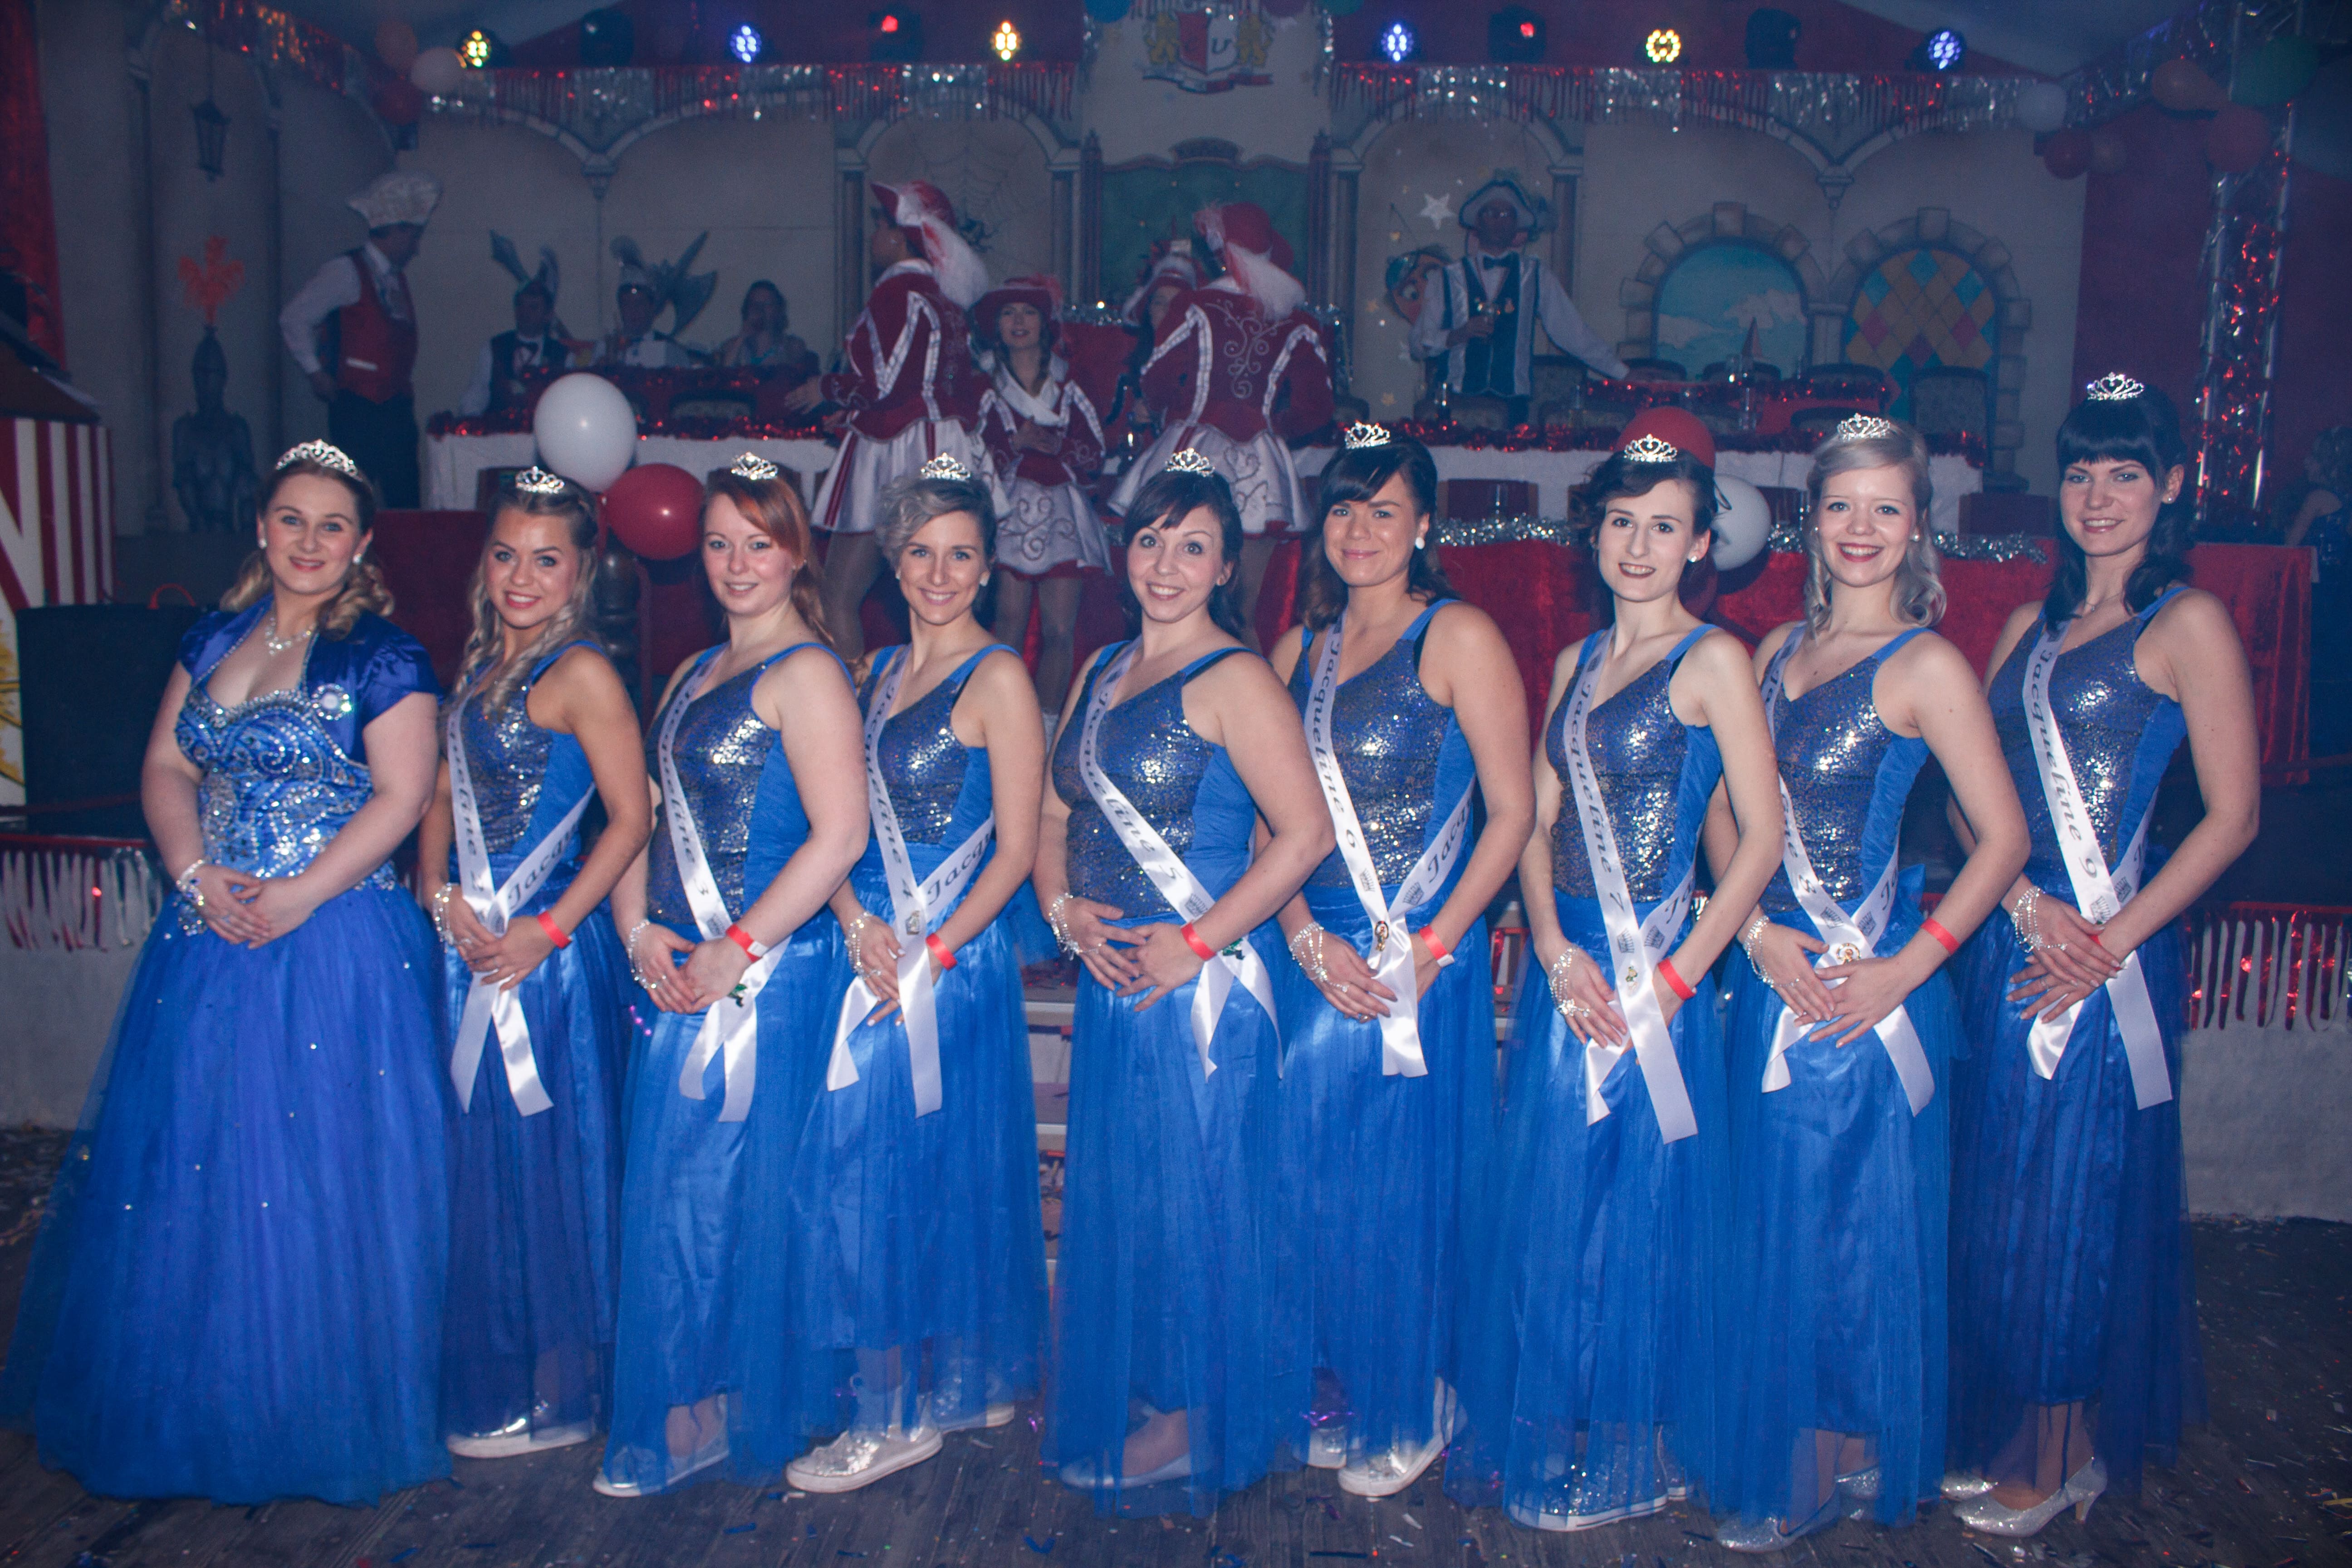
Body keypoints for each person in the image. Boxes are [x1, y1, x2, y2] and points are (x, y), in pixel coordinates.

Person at [0, 441, 448, 1502]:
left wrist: (298, 895)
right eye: (292, 519)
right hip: (210, 931)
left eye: (332, 526)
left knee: (310, 1171)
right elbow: (166, 763)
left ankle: (302, 1404)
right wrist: (193, 871)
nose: (308, 542)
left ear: (362, 544)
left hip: (331, 938)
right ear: (260, 526)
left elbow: (404, 795)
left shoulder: (382, 658)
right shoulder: (212, 638)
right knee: (196, 1163)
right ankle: (197, 1395)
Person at [1446, 410, 1783, 1532]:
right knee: (1559, 1212)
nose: (1638, 546)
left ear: (1702, 544)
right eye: (1622, 523)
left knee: (1642, 1218)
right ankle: (1566, 1417)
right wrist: (1546, 944)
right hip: (1570, 977)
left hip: (1661, 979)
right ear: (1593, 533)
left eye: (1664, 527)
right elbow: (1535, 822)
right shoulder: (1574, 662)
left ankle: (1641, 1448)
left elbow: (1761, 841)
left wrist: (1677, 980)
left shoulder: (1715, 659)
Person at [1699, 416, 2029, 1549]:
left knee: (1840, 1238)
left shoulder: (1927, 663)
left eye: (1886, 507)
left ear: (1917, 526)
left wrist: (1905, 969)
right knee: (1773, 1226)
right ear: (1810, 521)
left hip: (1863, 995)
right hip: (1772, 980)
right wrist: (1751, 936)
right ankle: (1802, 1442)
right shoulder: (1767, 653)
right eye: (1841, 504)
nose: (1860, 527)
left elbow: (2002, 839)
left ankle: (1825, 1457)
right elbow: (1720, 813)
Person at [1943, 374, 2259, 1535]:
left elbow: (2233, 816)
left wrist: (2106, 942)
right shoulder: (2024, 632)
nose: (2097, 495)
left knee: (2069, 1200)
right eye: (2079, 471)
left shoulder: (2187, 623)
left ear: (2170, 486)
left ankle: (2064, 1448)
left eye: (2124, 472)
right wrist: (2023, 903)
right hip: (2009, 940)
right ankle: (2007, 1427)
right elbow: (1970, 802)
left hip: (2107, 960)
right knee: (1995, 1195)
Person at [1037, 453, 1335, 1514]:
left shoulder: (1237, 678)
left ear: (1224, 568)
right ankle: (1164, 1391)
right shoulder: (1099, 667)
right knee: (1138, 1204)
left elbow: (1304, 835)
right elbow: (1055, 813)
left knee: (1198, 1205)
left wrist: (1197, 942)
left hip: (1201, 991)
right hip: (1116, 984)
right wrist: (1063, 909)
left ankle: (1197, 1412)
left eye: (1192, 546)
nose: (1165, 564)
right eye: (1151, 540)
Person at [1264, 424, 1533, 1497]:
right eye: (1343, 507)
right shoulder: (1297, 651)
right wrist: (1297, 932)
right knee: (1308, 1185)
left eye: (1384, 510)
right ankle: (1343, 1382)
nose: (1361, 529)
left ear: (1423, 524)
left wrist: (1431, 945)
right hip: (1310, 952)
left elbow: (1511, 815)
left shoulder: (1458, 634)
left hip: (1420, 955)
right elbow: (1265, 823)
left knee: (1401, 1187)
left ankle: (1413, 1395)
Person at [597, 453, 869, 1495]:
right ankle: (698, 1397)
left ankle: (730, 1401)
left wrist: (736, 948)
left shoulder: (809, 672)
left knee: (738, 1196)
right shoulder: (689, 673)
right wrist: (633, 925)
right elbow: (644, 815)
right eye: (718, 542)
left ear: (797, 553)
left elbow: (839, 838)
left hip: (767, 976)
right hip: (681, 966)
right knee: (681, 1196)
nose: (737, 562)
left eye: (759, 542)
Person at [780, 457, 1049, 1493]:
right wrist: (854, 923)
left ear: (987, 568)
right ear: (893, 563)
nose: (940, 573)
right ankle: (935, 1384)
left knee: (895, 1179)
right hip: (868, 954)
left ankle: (889, 1416)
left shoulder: (1000, 677)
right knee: (885, 1176)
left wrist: (927, 955)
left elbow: (1016, 852)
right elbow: (832, 825)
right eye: (922, 553)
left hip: (950, 964)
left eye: (960, 555)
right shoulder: (870, 672)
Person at [416, 467, 650, 1460]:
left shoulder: (583, 672)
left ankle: (555, 1389)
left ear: (580, 572)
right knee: (476, 1168)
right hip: (465, 949)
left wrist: (545, 932)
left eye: (546, 560)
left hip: (542, 961)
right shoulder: (480, 664)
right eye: (507, 554)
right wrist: (435, 892)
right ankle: (494, 1369)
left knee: (545, 1168)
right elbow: (437, 796)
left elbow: (630, 820)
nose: (522, 576)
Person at [788, 181, 996, 663]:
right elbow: (932, 382)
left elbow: (885, 384)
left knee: (838, 595)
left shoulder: (898, 292)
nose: (873, 237)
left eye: (880, 225)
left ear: (901, 236)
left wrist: (827, 388)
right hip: (943, 444)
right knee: (942, 592)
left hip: (899, 450)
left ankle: (852, 701)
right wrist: (854, 409)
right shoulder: (944, 299)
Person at [1110, 203, 1334, 646]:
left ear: (1222, 254)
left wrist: (1178, 413)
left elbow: (1156, 377)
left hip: (1192, 448)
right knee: (1242, 613)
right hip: (1262, 470)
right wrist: (1273, 428)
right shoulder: (1299, 322)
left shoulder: (1196, 305)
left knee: (1168, 599)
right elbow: (1318, 406)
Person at [975, 274, 1110, 714]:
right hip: (1008, 511)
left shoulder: (1070, 384)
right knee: (1009, 622)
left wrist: (1059, 447)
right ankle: (998, 718)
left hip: (1062, 514)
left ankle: (1049, 727)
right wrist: (1015, 444)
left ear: (1044, 323)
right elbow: (970, 454)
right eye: (1008, 313)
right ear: (996, 326)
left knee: (1059, 630)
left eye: (1028, 313)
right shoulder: (985, 387)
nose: (1019, 322)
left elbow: (1096, 452)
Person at [278, 170, 441, 507]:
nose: (416, 248)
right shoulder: (346, 271)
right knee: (354, 499)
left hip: (395, 408)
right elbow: (294, 317)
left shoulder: (396, 279)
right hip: (358, 409)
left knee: (404, 501)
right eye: (413, 238)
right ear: (395, 231)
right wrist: (315, 372)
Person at [1408, 176, 1629, 424]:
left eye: (1507, 215)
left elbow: (1572, 332)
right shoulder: (1446, 278)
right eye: (1491, 213)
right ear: (1477, 223)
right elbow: (1419, 345)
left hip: (1512, 405)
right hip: (1455, 403)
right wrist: (1459, 334)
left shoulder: (1535, 275)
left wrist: (1622, 373)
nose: (1499, 221)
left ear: (1516, 227)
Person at [2282, 426, 2352, 756]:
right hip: (2341, 599)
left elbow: (2288, 551)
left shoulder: (2318, 499)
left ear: (2327, 463)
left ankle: (2305, 750)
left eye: (2313, 456)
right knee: (2334, 680)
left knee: (2309, 676)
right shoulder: (2346, 502)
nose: (2306, 462)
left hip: (2316, 599)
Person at [172, 327, 259, 531]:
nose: (208, 382)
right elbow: (184, 481)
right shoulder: (185, 429)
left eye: (214, 374)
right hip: (198, 530)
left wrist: (246, 529)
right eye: (202, 374)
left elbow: (248, 487)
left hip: (231, 529)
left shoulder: (236, 429)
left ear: (223, 378)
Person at [459, 275, 574, 417]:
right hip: (499, 428)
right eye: (520, 305)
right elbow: (477, 393)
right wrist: (470, 419)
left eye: (533, 307)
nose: (525, 313)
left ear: (548, 315)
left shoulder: (563, 355)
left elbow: (567, 403)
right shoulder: (494, 347)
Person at [715, 279, 818, 382]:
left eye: (767, 304)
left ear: (778, 309)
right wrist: (742, 336)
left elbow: (794, 377)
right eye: (754, 304)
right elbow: (723, 377)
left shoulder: (793, 346)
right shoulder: (732, 346)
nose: (760, 309)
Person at [595, 265, 694, 369]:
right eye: (627, 305)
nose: (633, 310)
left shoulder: (670, 349)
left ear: (652, 307)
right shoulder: (605, 348)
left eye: (639, 304)